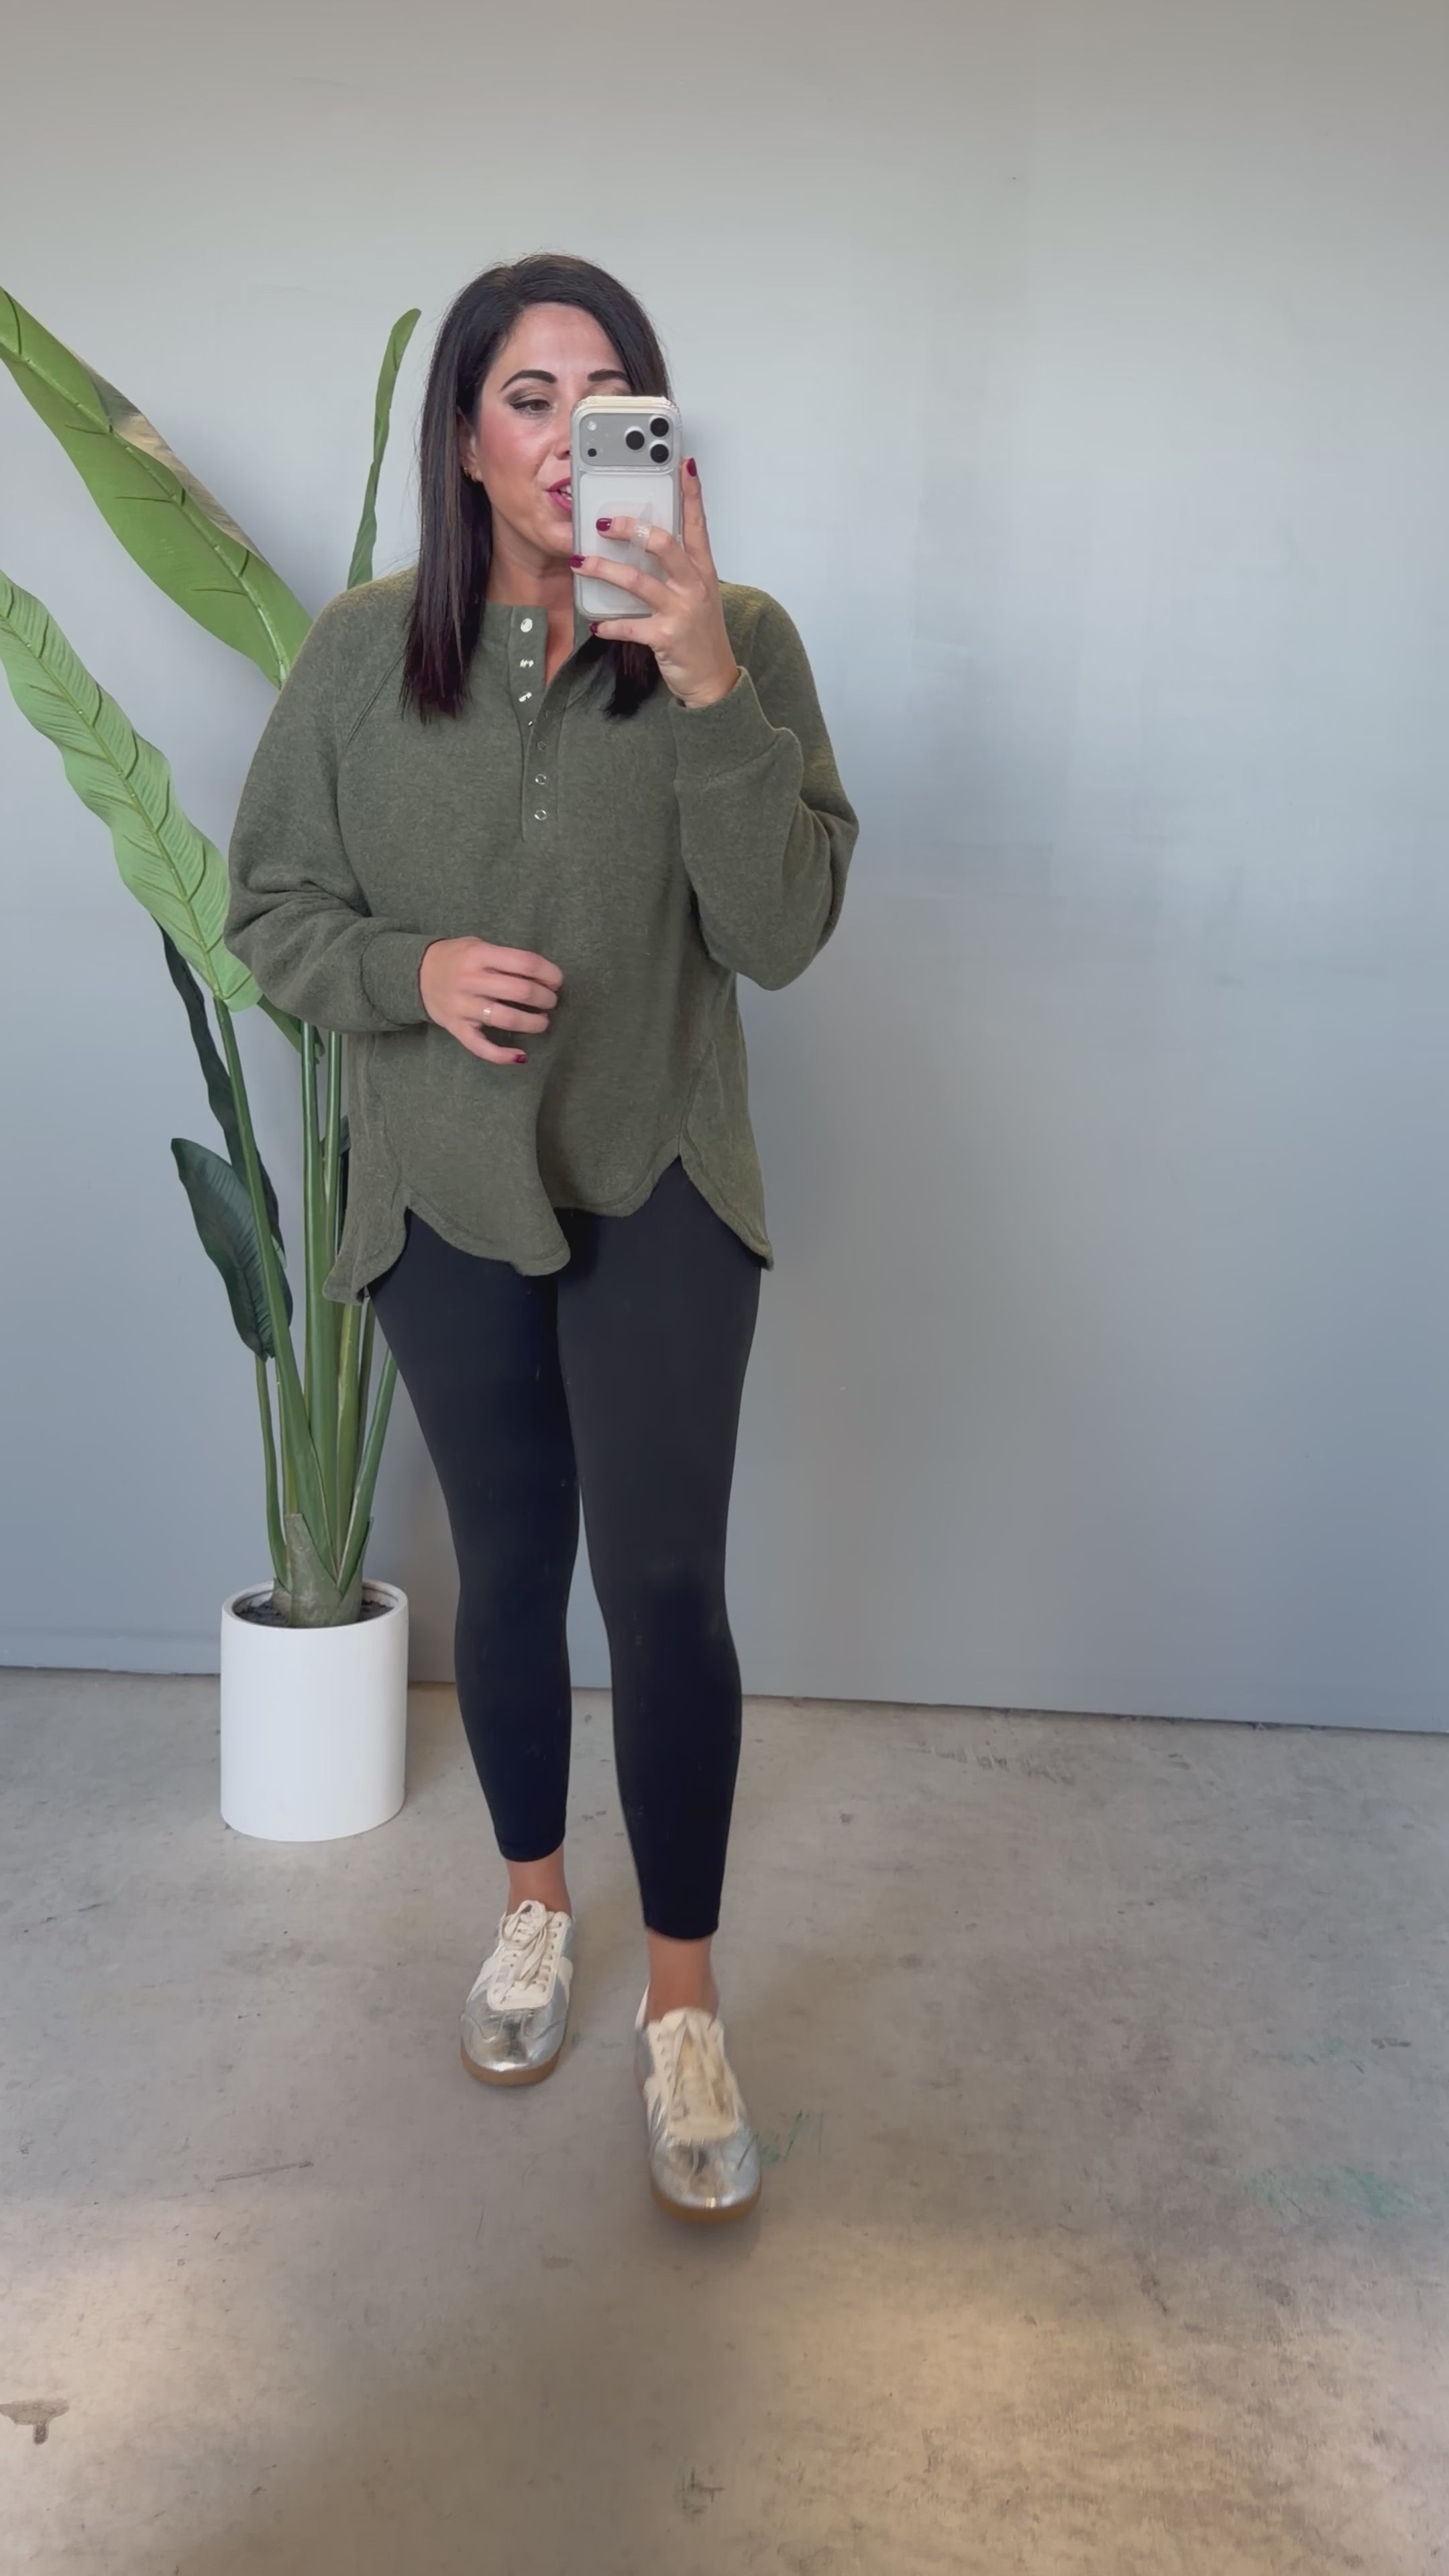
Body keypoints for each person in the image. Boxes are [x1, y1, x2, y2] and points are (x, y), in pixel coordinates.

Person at [224, 253, 858, 2224]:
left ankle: (683, 1999)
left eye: (610, 398)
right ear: (466, 438)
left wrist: (704, 676)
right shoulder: (365, 652)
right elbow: (270, 911)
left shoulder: (738, 637)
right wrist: (413, 972)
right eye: (529, 396)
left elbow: (780, 932)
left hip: (659, 1167)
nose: (570, 434)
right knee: (508, 1575)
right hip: (445, 1187)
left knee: (663, 1588)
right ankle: (530, 1908)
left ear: (655, 432)